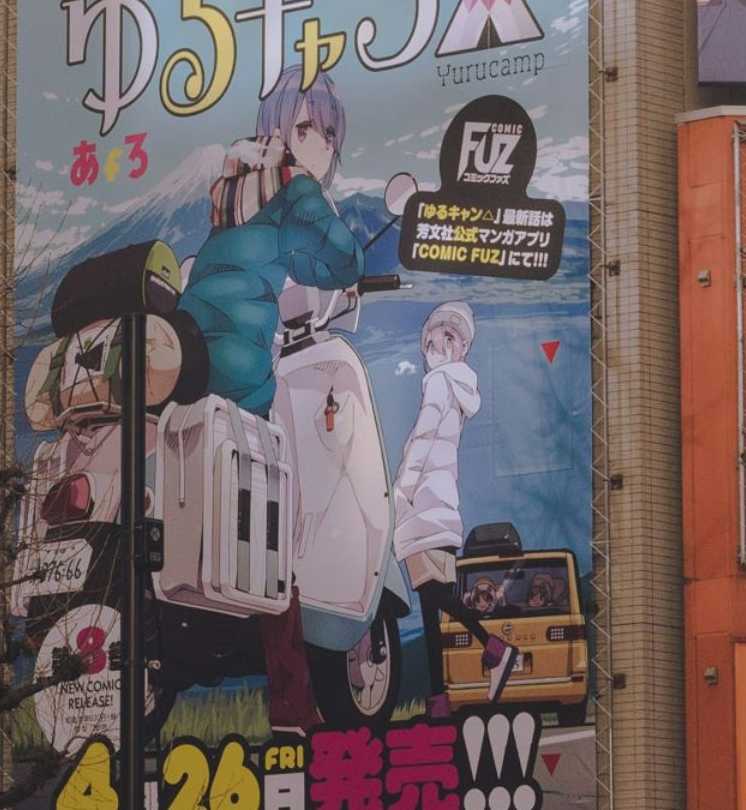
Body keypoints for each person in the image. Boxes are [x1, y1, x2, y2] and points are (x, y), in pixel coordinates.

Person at [176, 64, 364, 732]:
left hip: (182, 355)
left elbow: (271, 259)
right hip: (239, 366)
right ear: (282, 132)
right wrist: (351, 265)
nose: (316, 142)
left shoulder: (234, 188)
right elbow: (341, 259)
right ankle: (290, 706)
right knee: (269, 531)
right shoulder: (296, 187)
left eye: (325, 131)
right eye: (306, 126)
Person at [391, 301, 520, 718]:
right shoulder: (460, 387)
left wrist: (399, 493)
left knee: (435, 597)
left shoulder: (438, 383)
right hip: (443, 505)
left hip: (422, 506)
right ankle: (440, 699)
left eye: (447, 338)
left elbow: (423, 439)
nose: (436, 345)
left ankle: (495, 648)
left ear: (460, 346)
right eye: (431, 339)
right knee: (433, 607)